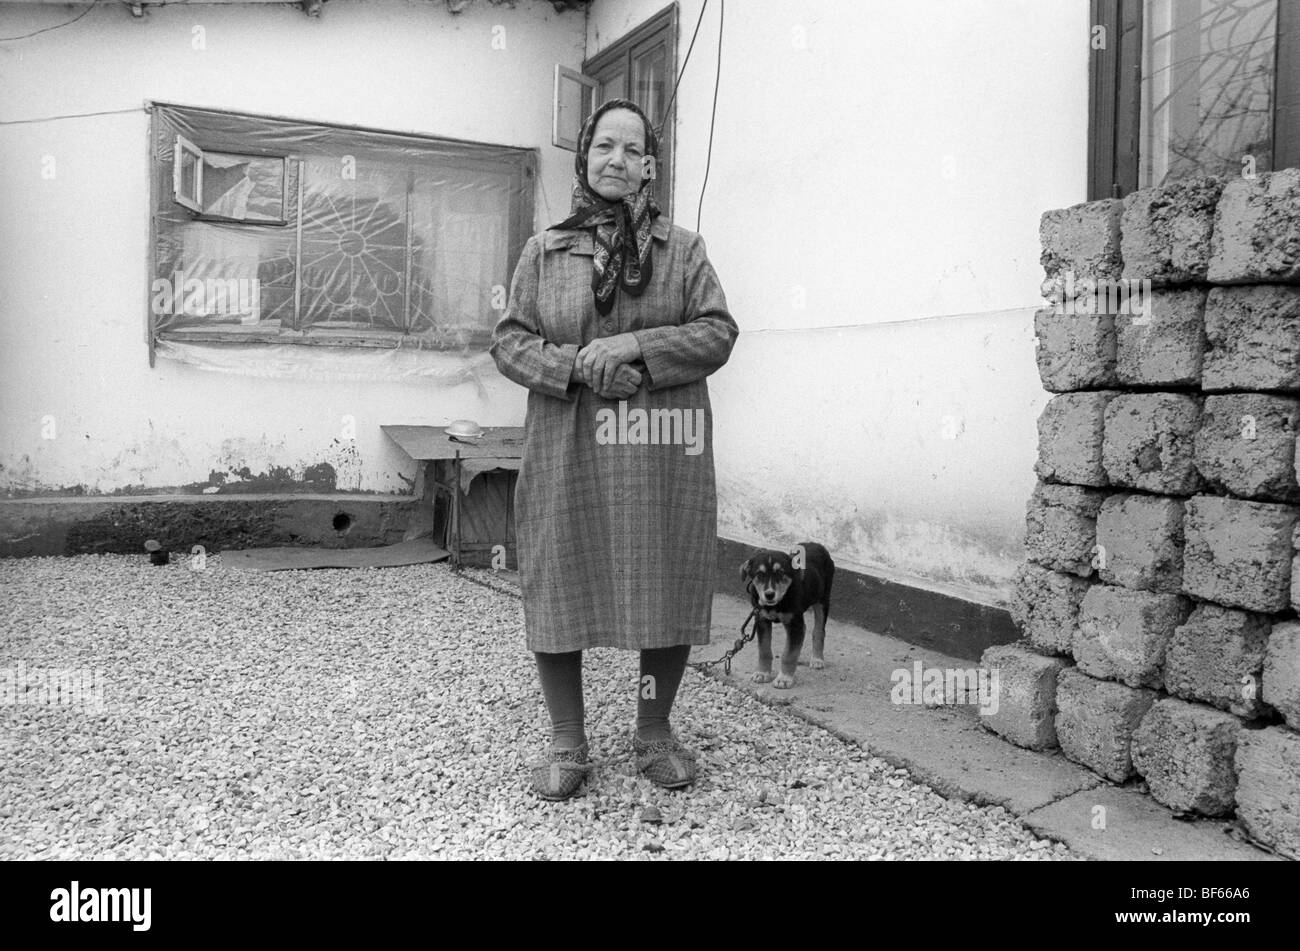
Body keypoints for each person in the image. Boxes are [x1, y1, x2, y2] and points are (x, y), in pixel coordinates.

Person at [490, 98, 739, 800]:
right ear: (585, 156)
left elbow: (718, 332)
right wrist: (577, 364)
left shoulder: (683, 250)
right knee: (560, 570)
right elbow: (509, 341)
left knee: (665, 574)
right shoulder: (545, 250)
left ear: (650, 167)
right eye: (605, 146)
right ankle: (568, 739)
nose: (617, 160)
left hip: (660, 447)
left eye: (632, 151)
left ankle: (654, 732)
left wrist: (634, 345)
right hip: (569, 441)